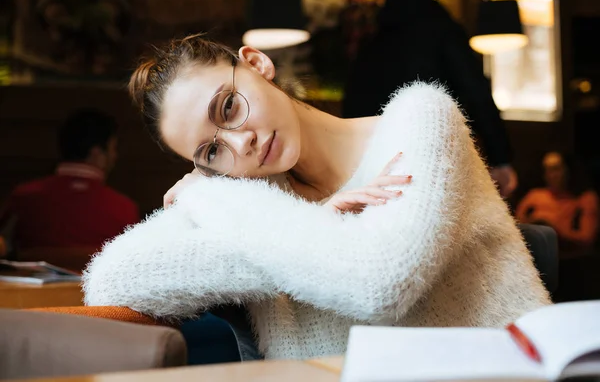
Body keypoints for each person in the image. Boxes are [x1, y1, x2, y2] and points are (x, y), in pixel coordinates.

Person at [83, 34, 550, 361]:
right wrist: (223, 198)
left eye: (228, 106)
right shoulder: (248, 198)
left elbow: (377, 283)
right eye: (211, 150)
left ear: (257, 64)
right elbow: (111, 282)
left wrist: (214, 202)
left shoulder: (421, 119)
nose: (239, 142)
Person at [342, 0, 517, 198]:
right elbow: (476, 91)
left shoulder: (372, 43)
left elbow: (351, 107)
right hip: (433, 156)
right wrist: (499, 156)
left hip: (375, 161)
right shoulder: (443, 31)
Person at [0, 109, 139, 253]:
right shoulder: (124, 208)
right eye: (113, 149)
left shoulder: (23, 196)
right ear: (96, 153)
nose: (115, 157)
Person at [516, 151, 599, 301]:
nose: (551, 175)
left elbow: (586, 238)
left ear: (568, 169)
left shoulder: (584, 199)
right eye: (547, 169)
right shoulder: (535, 196)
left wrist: (553, 227)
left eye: (556, 168)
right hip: (536, 265)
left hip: (572, 266)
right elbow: (515, 229)